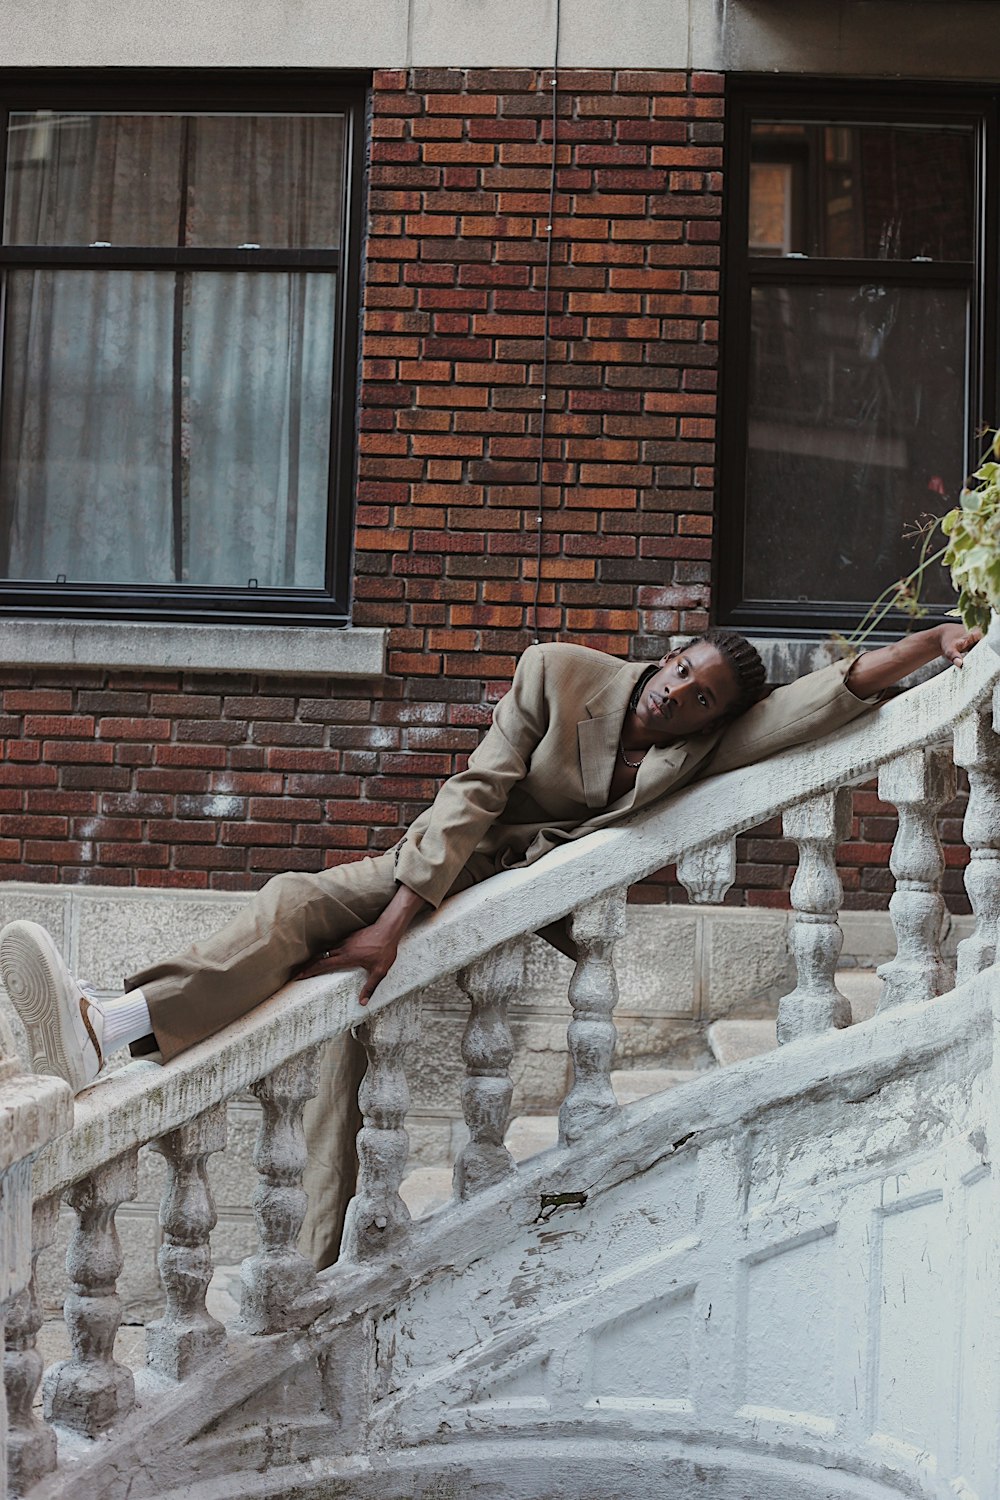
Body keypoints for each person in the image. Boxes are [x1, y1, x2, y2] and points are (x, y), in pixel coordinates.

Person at [0, 619, 981, 1264]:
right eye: (680, 672)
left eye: (698, 699)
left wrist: (928, 643)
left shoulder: (695, 746)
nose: (672, 697)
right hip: (432, 872)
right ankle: (155, 1071)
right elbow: (471, 792)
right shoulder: (557, 674)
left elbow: (819, 699)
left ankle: (114, 1025)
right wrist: (393, 925)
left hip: (498, 901)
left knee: (311, 945)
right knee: (323, 984)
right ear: (671, 650)